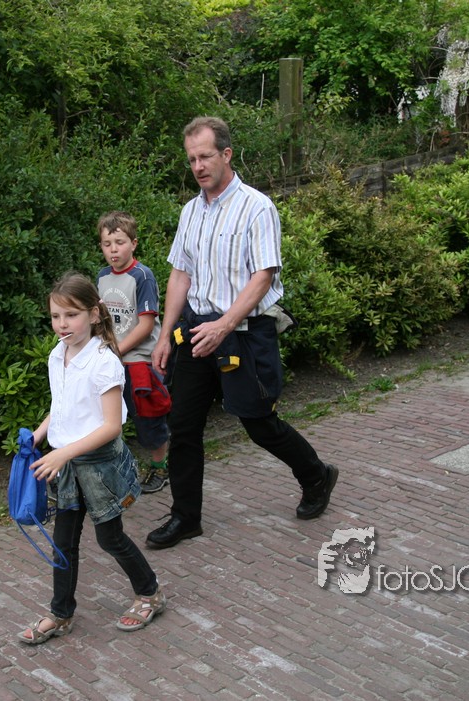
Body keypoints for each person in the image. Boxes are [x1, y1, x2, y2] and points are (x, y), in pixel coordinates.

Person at [145, 116, 338, 551]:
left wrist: (225, 324)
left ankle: (316, 475)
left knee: (259, 424)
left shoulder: (257, 207)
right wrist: (164, 334)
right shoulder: (190, 211)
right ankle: (185, 518)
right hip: (197, 332)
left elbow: (263, 276)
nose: (198, 166)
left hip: (245, 333)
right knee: (183, 425)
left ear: (226, 154)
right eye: (191, 159)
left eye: (205, 156)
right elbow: (180, 275)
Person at [17, 272, 165, 644]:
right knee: (63, 543)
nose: (62, 324)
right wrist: (39, 435)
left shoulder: (104, 362)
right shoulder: (58, 354)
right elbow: (62, 405)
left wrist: (62, 453)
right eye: (56, 316)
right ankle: (61, 613)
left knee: (110, 538)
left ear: (94, 314)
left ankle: (150, 593)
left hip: (100, 467)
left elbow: (111, 426)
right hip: (67, 466)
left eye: (71, 315)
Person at [96, 211, 171, 494]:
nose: (113, 250)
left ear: (134, 243)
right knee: (109, 419)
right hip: (111, 360)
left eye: (120, 242)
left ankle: (160, 467)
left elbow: (146, 324)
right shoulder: (102, 276)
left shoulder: (142, 276)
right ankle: (113, 470)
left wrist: (116, 350)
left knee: (148, 417)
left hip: (139, 361)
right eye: (107, 244)